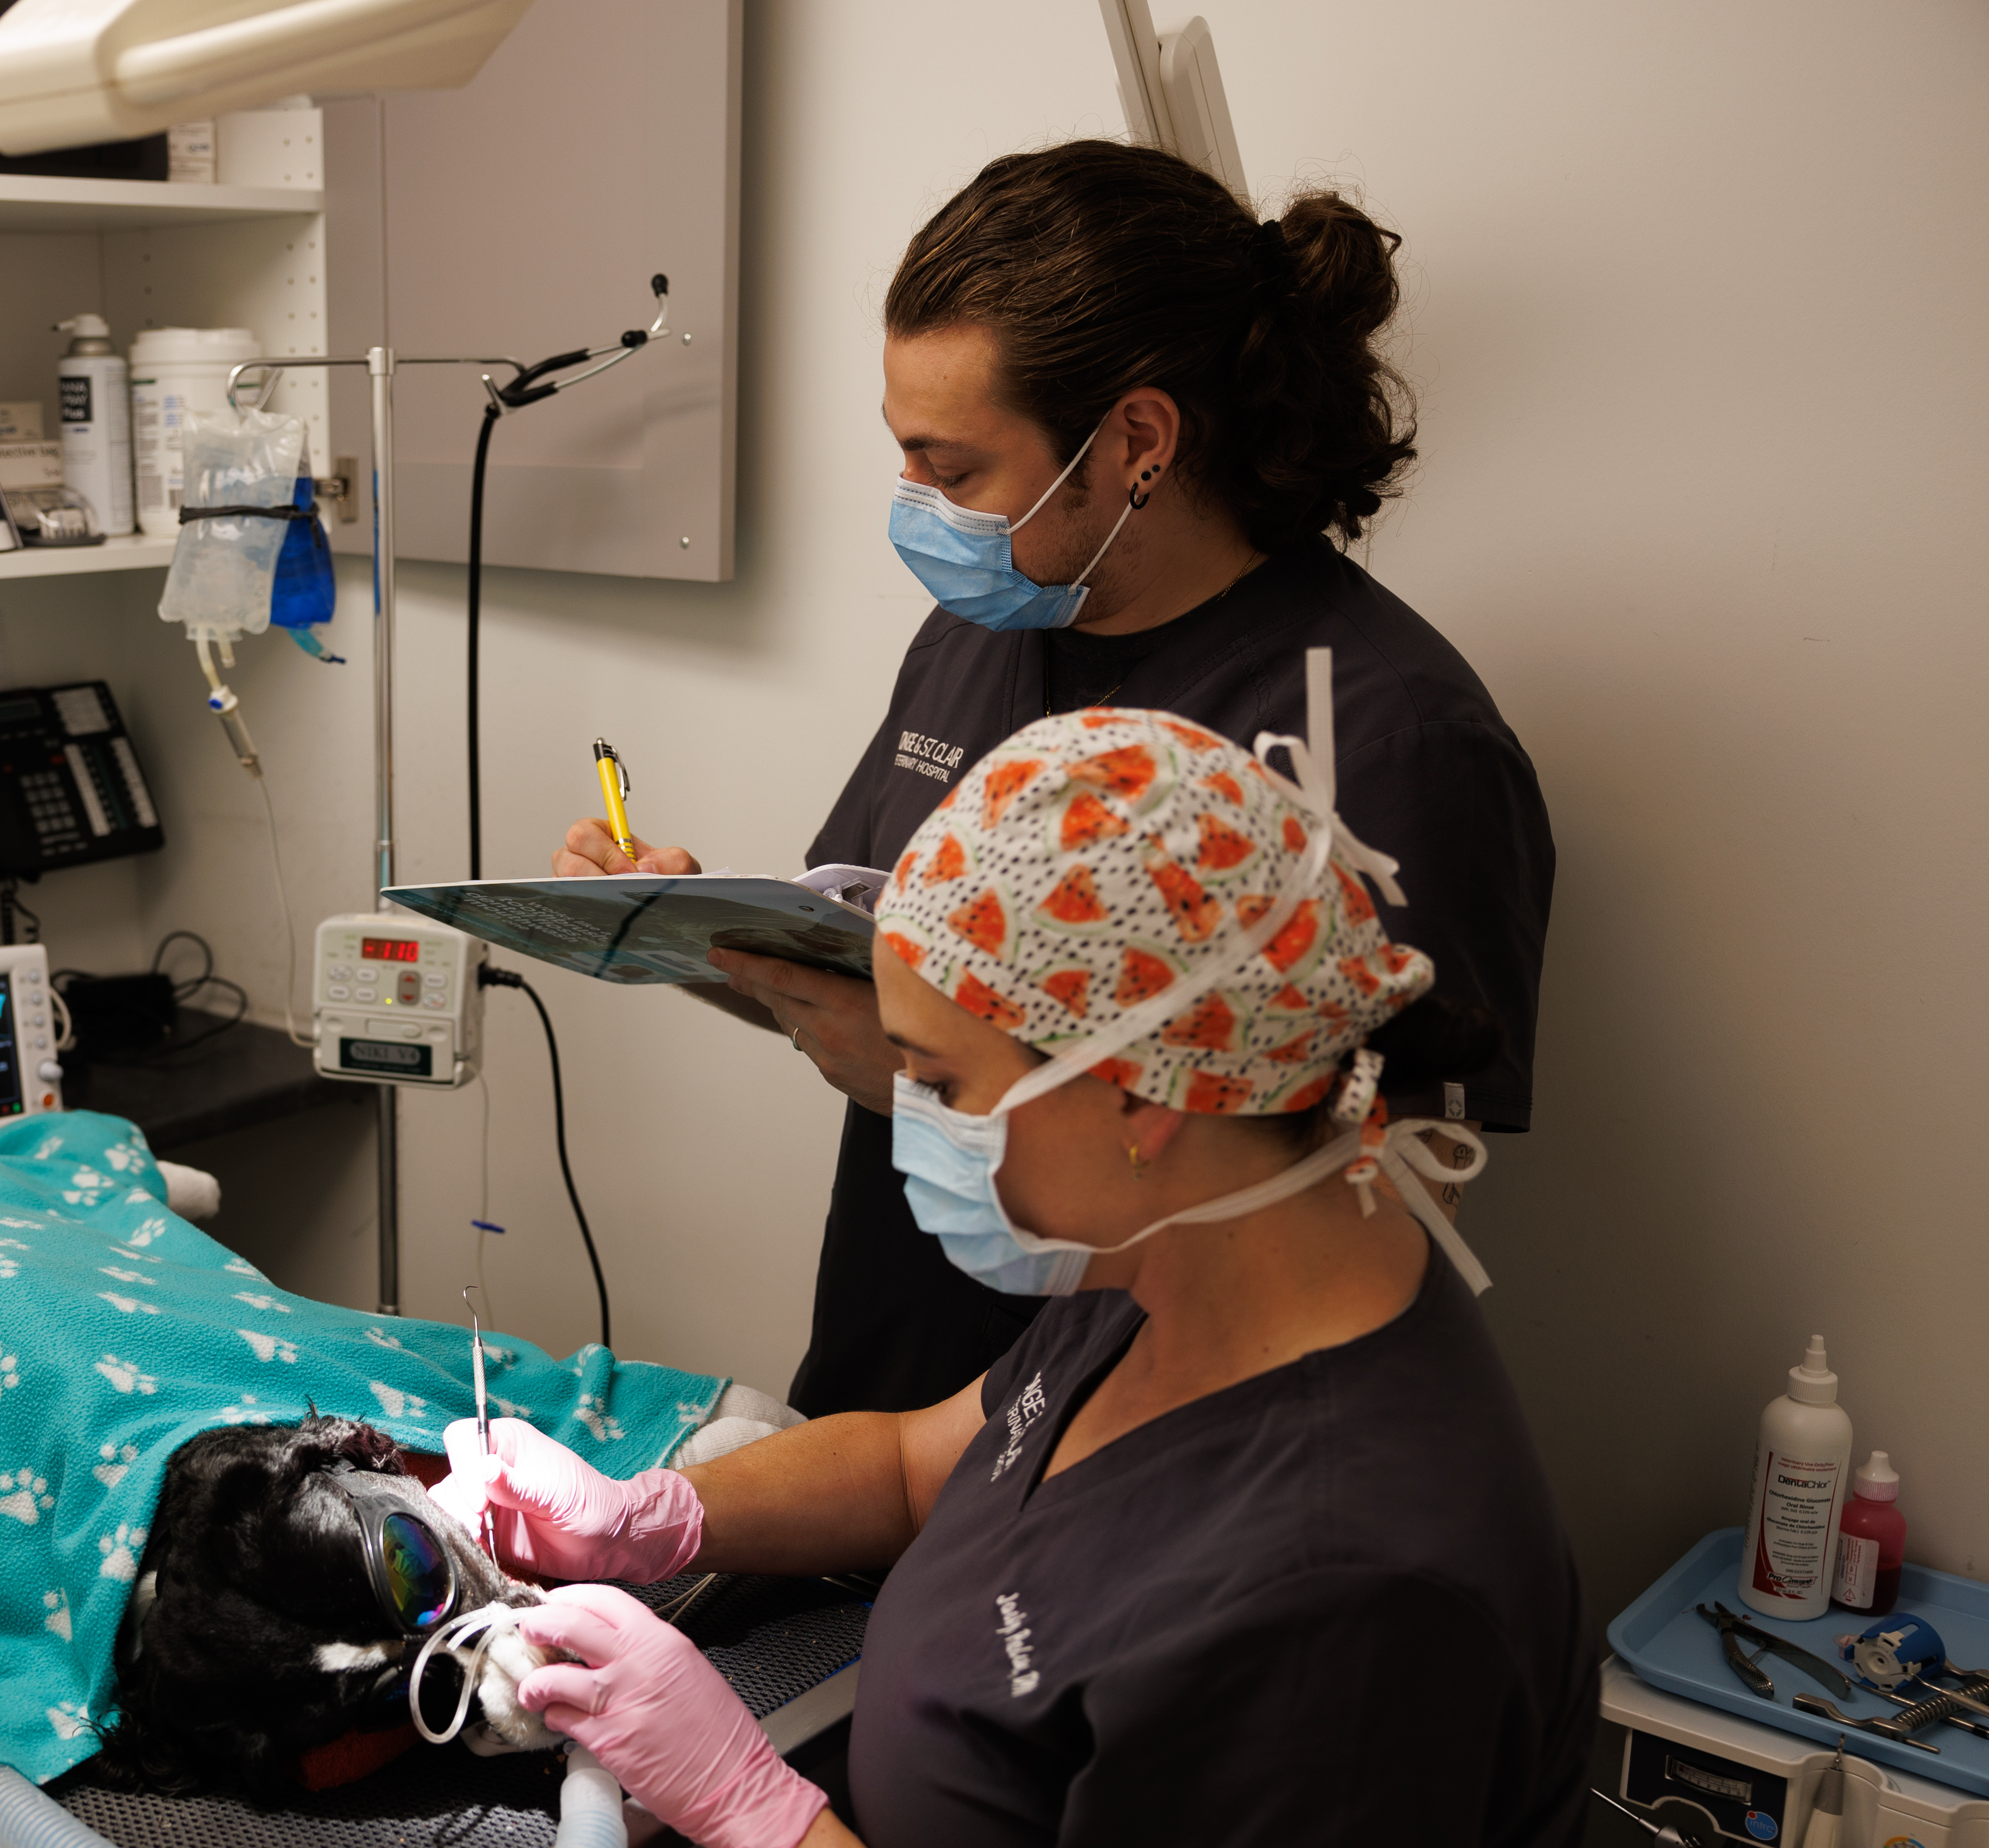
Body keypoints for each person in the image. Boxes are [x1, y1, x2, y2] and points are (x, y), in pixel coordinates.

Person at [478, 706, 1593, 1848]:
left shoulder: (1347, 1600)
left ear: (1138, 1094)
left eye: (940, 1084)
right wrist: (662, 1519)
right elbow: (912, 1466)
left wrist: (759, 1814)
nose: (918, 1124)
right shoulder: (1184, 1268)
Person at [557, 141, 1554, 1418]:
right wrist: (701, 940)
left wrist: (930, 1077)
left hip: (1146, 1461)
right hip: (888, 1395)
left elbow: (1390, 1215)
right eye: (904, 453)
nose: (912, 501)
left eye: (955, 467)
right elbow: (896, 981)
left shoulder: (1386, 732)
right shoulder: (985, 631)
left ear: (1136, 439)